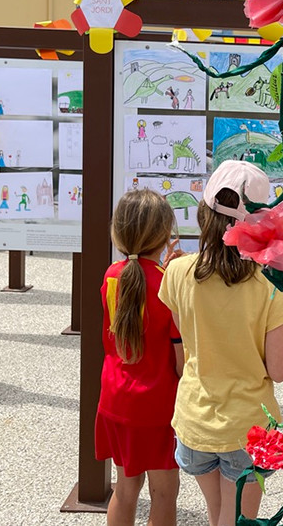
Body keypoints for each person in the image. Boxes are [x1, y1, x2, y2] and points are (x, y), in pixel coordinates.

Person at [158, 161, 283, 526]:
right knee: (234, 520)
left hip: (195, 422)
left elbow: (183, 329)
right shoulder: (269, 289)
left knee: (217, 514)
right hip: (247, 427)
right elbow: (279, 371)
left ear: (204, 213)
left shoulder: (176, 272)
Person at [97, 189, 183, 526]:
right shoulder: (167, 284)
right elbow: (179, 359)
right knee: (164, 493)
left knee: (125, 488)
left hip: (116, 397)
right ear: (163, 235)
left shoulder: (112, 275)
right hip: (157, 404)